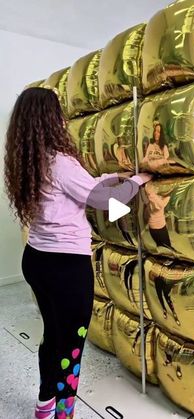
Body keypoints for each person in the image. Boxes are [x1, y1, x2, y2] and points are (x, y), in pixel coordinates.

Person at [3, 87, 152, 419]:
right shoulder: (61, 161)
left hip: (37, 260)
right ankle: (64, 414)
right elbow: (99, 200)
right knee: (70, 346)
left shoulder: (28, 158)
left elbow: (79, 186)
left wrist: (113, 177)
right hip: (66, 267)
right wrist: (136, 182)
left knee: (53, 338)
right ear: (50, 118)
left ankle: (45, 406)